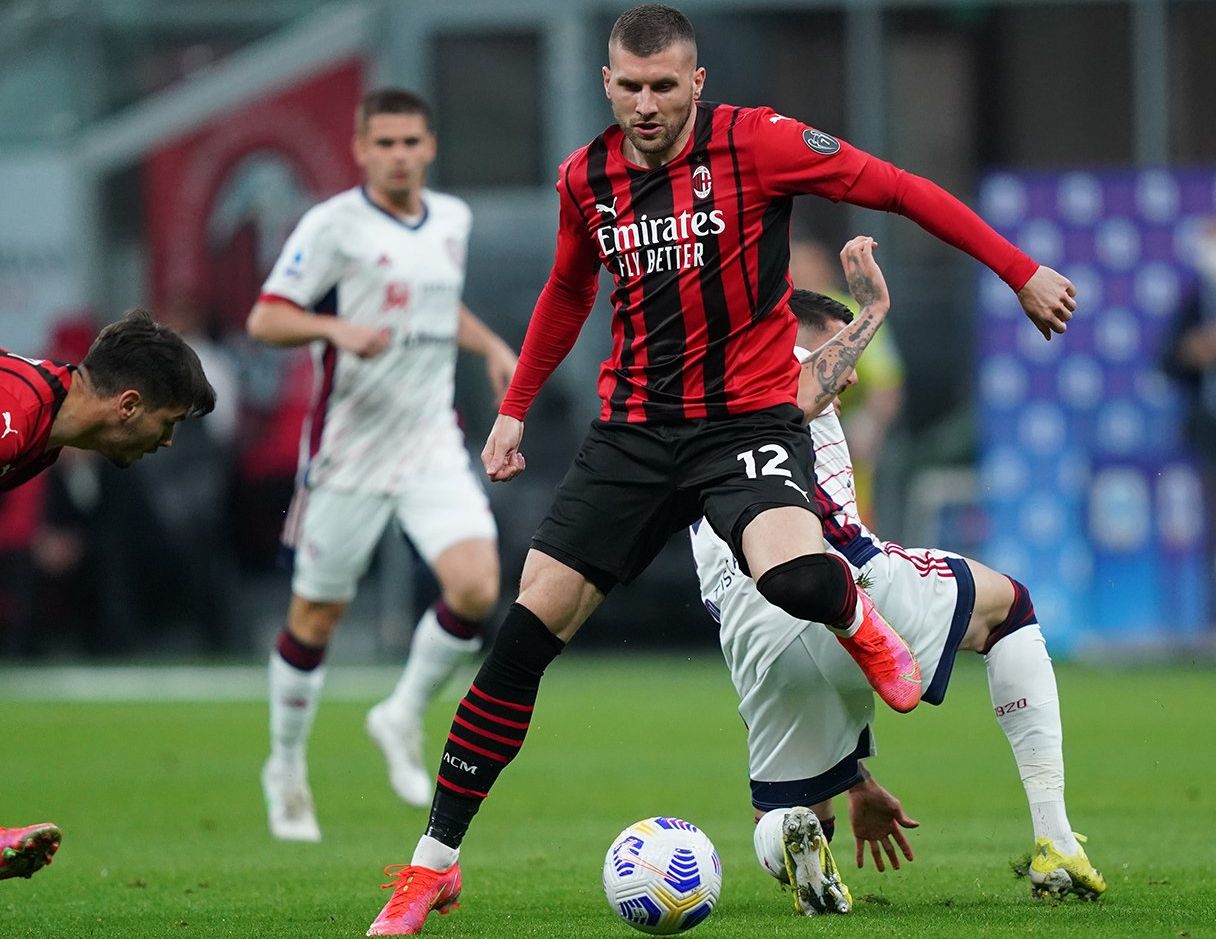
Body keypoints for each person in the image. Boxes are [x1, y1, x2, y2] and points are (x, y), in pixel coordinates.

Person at [365, 7, 1078, 934]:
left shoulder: (764, 144)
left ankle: (865, 627)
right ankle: (433, 867)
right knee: (523, 637)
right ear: (608, 83)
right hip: (630, 433)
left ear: (697, 83)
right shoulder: (587, 177)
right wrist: (511, 412)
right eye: (631, 86)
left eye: (666, 86)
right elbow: (569, 289)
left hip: (743, 420)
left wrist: (1019, 271)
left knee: (796, 572)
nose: (648, 104)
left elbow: (898, 188)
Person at [690, 241, 1105, 915]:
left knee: (786, 807)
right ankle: (1055, 837)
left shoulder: (688, 422)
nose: (847, 376)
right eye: (833, 346)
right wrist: (873, 309)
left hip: (754, 637)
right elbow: (806, 385)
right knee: (1009, 609)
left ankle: (798, 833)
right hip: (842, 583)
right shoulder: (772, 372)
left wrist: (858, 782)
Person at [246, 87, 518, 842]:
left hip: (430, 438)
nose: (400, 155)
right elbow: (265, 316)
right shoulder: (333, 226)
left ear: (429, 147)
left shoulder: (453, 220)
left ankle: (400, 714)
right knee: (317, 615)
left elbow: (436, 303)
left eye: (412, 142)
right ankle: (287, 765)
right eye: (385, 143)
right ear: (362, 148)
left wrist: (492, 345)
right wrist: (335, 326)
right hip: (350, 450)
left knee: (475, 585)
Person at [0, 307, 217, 879]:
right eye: (167, 423)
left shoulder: (42, 431)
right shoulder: (15, 415)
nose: (167, 443)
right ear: (128, 406)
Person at [789, 235, 904, 529]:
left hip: (840, 433)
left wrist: (870, 421)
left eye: (810, 268)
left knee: (850, 524)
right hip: (784, 432)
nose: (803, 275)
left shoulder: (847, 316)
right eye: (795, 268)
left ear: (826, 271)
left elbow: (886, 381)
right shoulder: (769, 314)